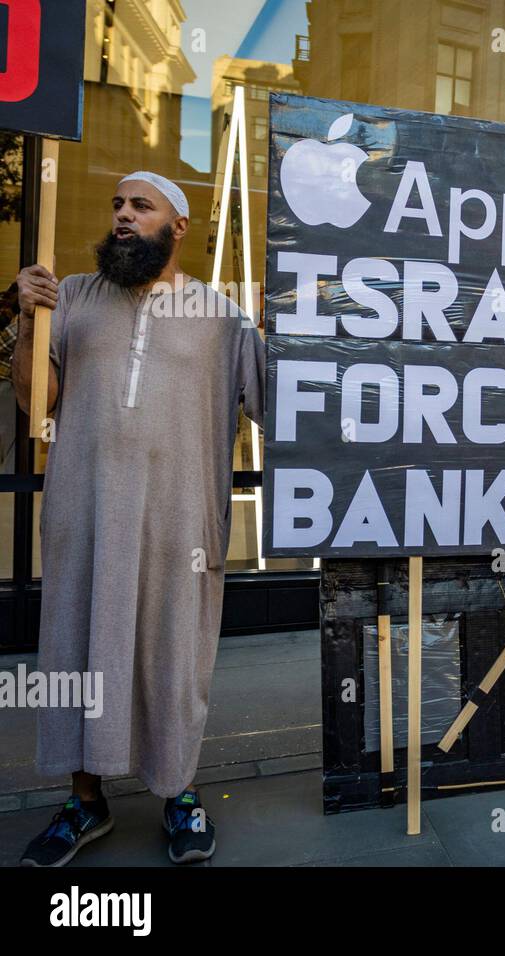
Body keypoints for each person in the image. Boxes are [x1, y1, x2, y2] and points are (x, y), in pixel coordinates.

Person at [12, 172, 265, 866]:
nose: (123, 215)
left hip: (180, 529)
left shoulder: (220, 316)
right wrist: (30, 325)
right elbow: (37, 408)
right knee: (77, 652)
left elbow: (276, 402)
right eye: (117, 205)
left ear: (177, 226)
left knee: (173, 659)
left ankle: (178, 795)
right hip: (85, 520)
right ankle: (83, 802)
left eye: (140, 206)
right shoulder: (71, 298)